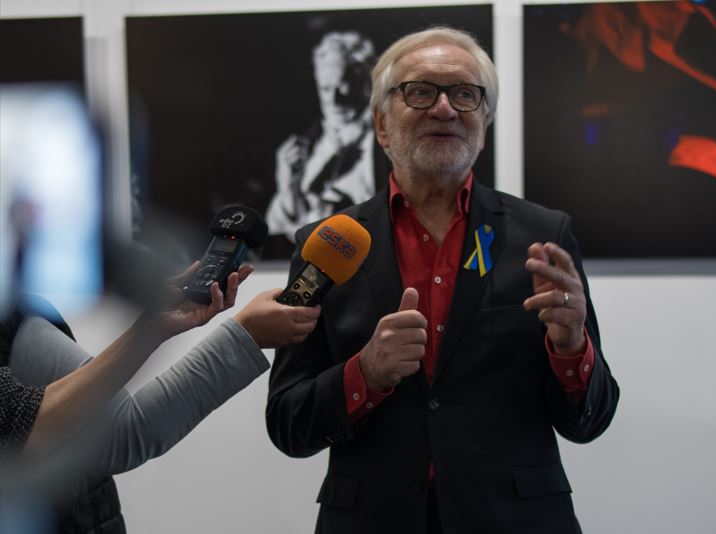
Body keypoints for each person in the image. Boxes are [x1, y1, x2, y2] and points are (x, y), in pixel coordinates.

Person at [266, 26, 620, 534]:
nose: (445, 109)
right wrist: (366, 372)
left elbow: (589, 422)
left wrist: (571, 346)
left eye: (465, 94)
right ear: (381, 124)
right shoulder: (325, 245)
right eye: (420, 91)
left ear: (484, 121)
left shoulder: (544, 236)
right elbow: (288, 424)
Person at [1, 262, 320, 532]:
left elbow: (115, 429)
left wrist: (155, 326)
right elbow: (120, 433)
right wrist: (245, 336)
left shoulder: (15, 319)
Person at [265, 31, 378, 244]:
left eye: (343, 86)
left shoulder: (386, 144)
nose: (333, 101)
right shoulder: (311, 142)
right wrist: (288, 188)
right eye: (325, 89)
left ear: (365, 83)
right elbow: (276, 231)